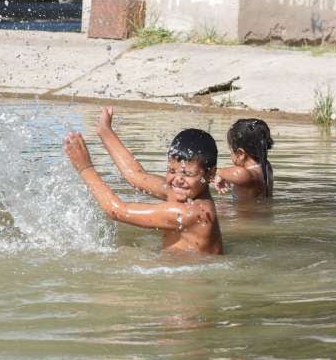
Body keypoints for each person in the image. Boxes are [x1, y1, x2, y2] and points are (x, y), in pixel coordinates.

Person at [64, 107, 223, 255]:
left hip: (191, 282)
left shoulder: (192, 213)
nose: (178, 180)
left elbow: (117, 211)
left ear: (210, 174)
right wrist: (106, 132)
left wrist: (85, 168)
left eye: (188, 174)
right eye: (172, 171)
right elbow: (136, 174)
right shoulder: (180, 192)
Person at [214, 118, 274, 200]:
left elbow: (238, 174)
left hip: (245, 212)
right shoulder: (266, 165)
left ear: (241, 153)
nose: (230, 153)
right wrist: (226, 176)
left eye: (230, 149)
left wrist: (219, 172)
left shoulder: (245, 175)